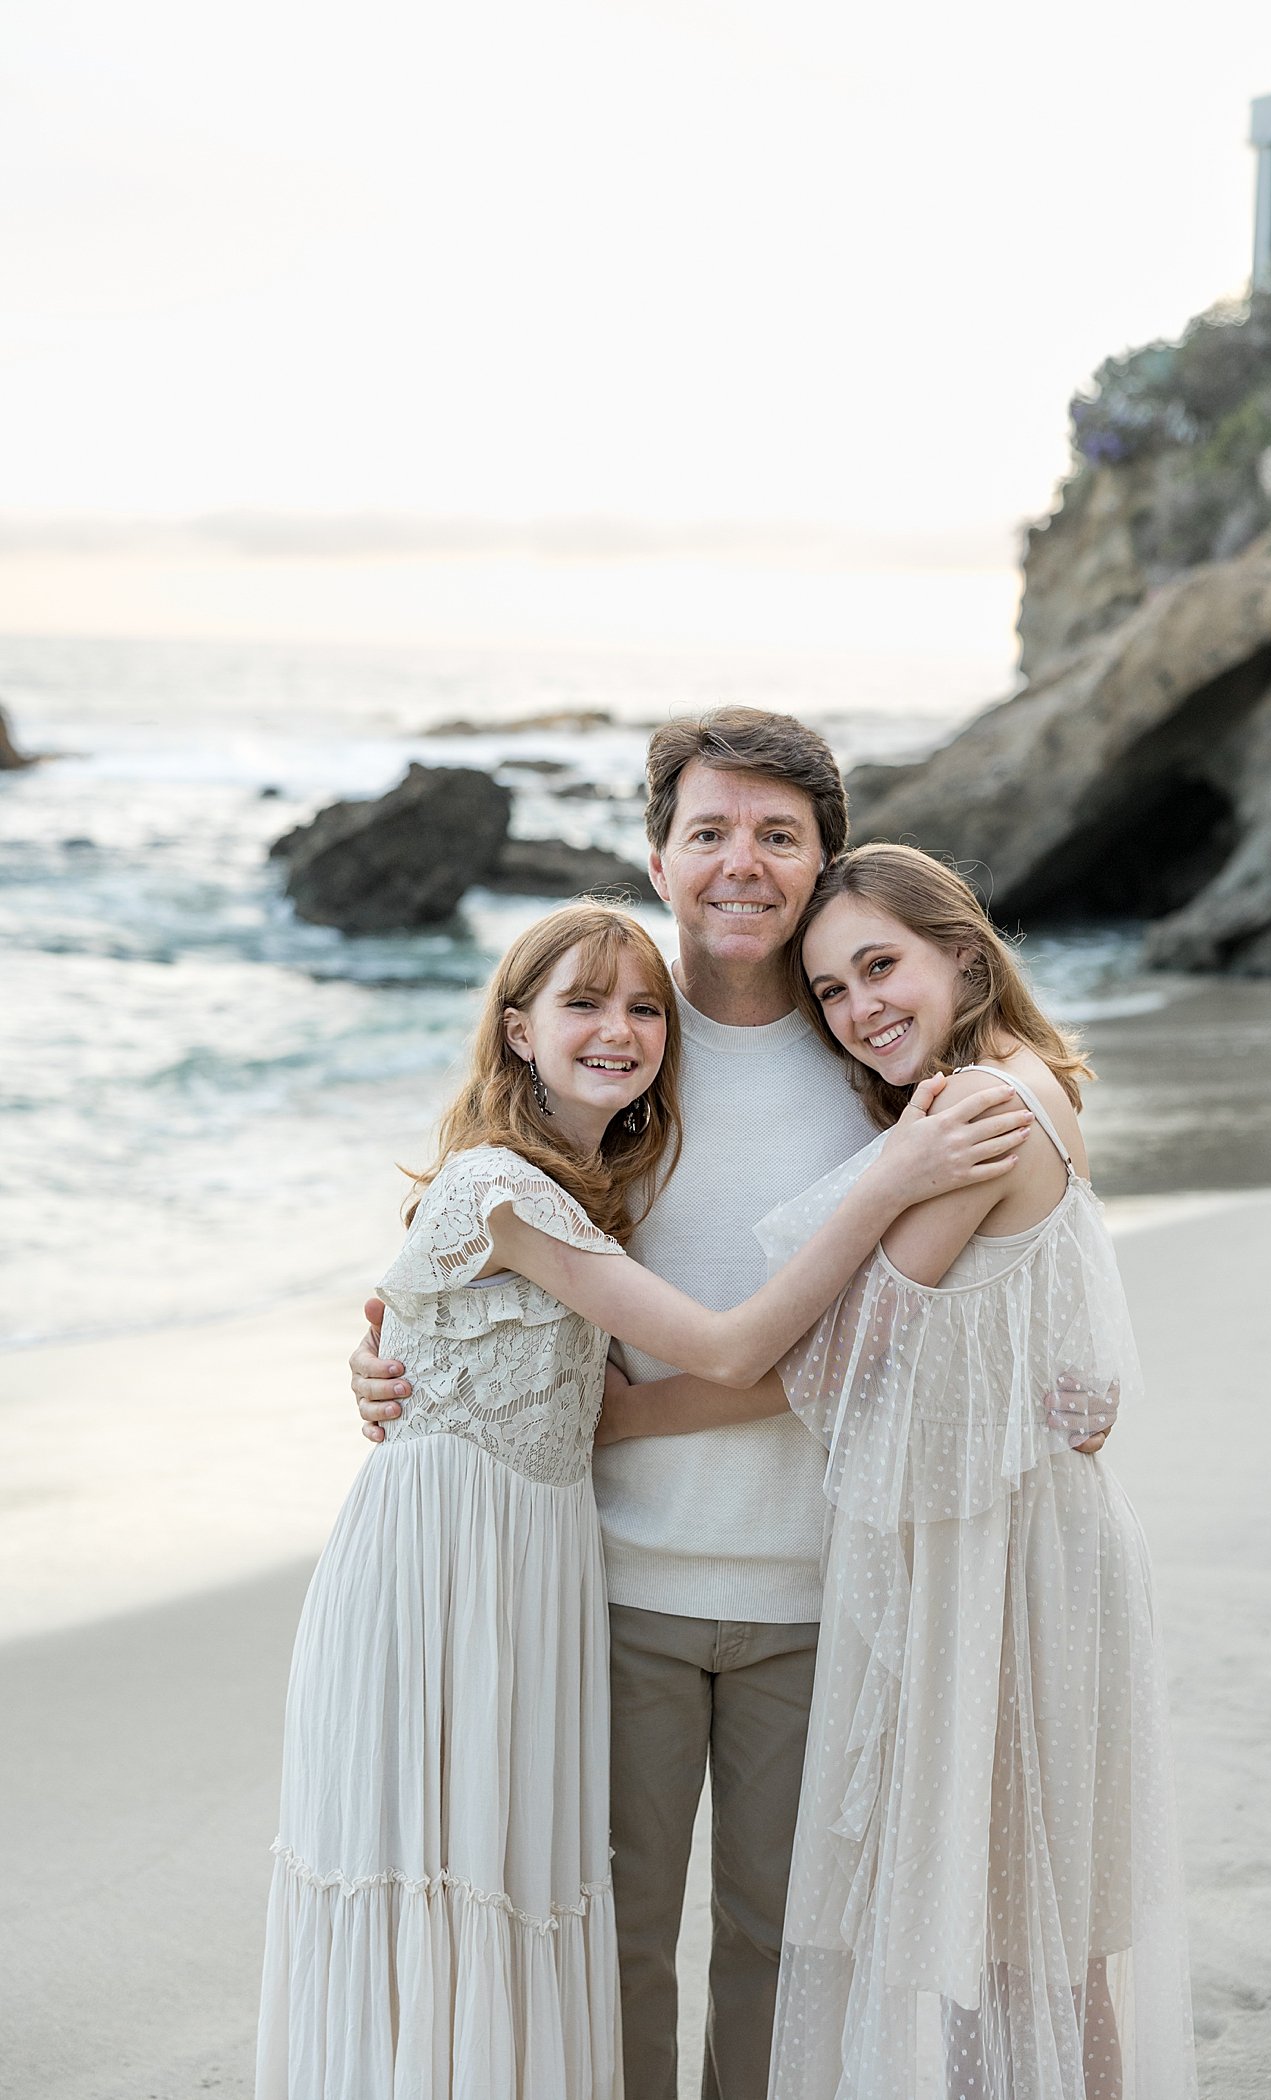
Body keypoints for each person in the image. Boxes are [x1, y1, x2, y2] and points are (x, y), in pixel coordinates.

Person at [353, 709, 1112, 2098]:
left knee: (783, 1949)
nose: (740, 863)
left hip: (822, 1591)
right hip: (611, 1583)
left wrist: (1062, 1377)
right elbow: (480, 1240)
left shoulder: (877, 1059)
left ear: (824, 862)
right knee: (616, 1943)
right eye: (708, 832)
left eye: (778, 835)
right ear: (660, 855)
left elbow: (966, 1281)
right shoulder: (616, 1043)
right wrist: (391, 1368)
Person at [260, 896, 1030, 2100]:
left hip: (543, 1569)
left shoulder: (597, 1170)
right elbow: (720, 1348)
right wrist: (884, 1188)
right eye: (580, 1005)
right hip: (478, 1578)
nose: (619, 1029)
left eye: (637, 1010)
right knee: (501, 1895)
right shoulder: (509, 1190)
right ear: (515, 1032)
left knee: (568, 1903)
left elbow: (443, 1320)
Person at [606, 844, 1196, 2100]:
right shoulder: (1012, 1081)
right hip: (1011, 1533)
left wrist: (620, 1420)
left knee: (1017, 1947)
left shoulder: (978, 1108)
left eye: (882, 967)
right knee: (1030, 1942)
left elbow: (845, 1355)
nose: (860, 1006)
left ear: (963, 957)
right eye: (829, 989)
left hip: (1009, 1560)